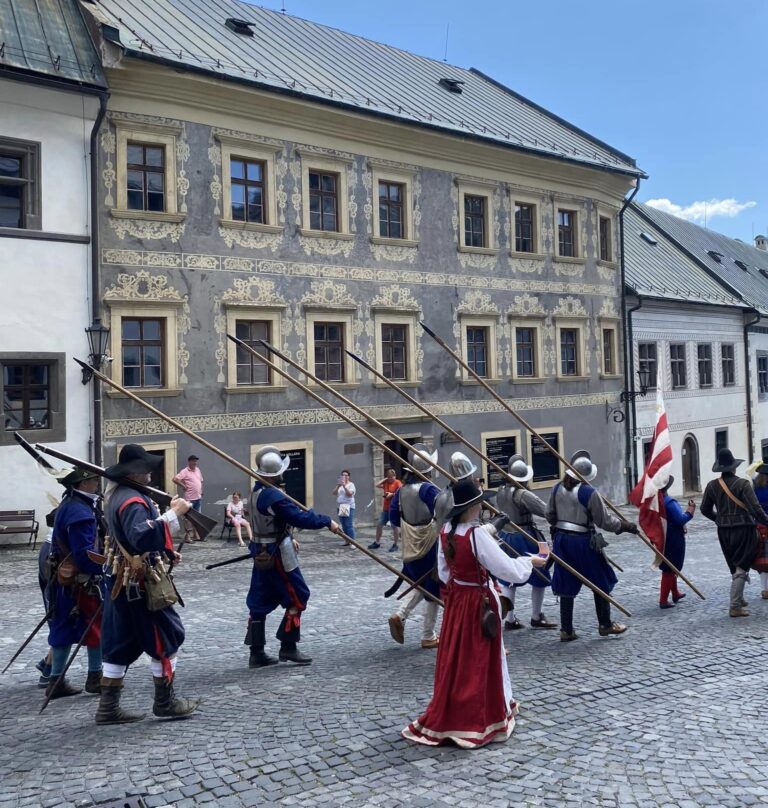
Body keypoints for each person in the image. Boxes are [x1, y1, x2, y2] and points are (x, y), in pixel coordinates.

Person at [402, 477, 548, 747]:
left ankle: (462, 707)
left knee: (458, 657)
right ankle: (481, 714)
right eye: (479, 503)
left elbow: (444, 573)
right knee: (480, 657)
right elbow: (506, 569)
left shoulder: (445, 530)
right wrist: (529, 562)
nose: (482, 506)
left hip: (458, 601)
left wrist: (462, 583)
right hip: (479, 602)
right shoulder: (476, 534)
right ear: (472, 507)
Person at [98, 444, 198, 725]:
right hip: (139, 584)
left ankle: (107, 708)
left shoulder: (118, 495)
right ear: (134, 472)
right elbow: (140, 537)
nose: (150, 472)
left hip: (124, 579)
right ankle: (165, 702)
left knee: (120, 643)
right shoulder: (132, 500)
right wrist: (173, 514)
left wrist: (164, 551)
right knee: (167, 636)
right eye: (145, 468)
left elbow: (131, 538)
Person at [246, 446, 340, 667]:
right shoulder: (273, 495)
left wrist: (288, 535)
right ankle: (288, 647)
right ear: (276, 474)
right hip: (277, 553)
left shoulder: (256, 492)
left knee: (259, 599)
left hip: (261, 550)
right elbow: (299, 518)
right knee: (298, 595)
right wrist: (326, 521)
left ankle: (256, 653)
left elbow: (276, 521)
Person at [547, 449, 638, 641]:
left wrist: (558, 525)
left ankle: (566, 630)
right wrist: (625, 526)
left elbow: (549, 514)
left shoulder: (556, 488)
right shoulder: (589, 493)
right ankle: (605, 624)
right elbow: (604, 521)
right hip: (582, 542)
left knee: (566, 580)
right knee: (600, 579)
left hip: (561, 541)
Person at [44, 468, 107, 699]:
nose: (97, 484)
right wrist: (105, 569)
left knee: (63, 625)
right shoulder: (80, 512)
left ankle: (56, 680)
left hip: (66, 579)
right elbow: (85, 555)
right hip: (81, 581)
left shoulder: (70, 504)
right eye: (93, 480)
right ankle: (95, 677)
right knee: (95, 625)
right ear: (82, 484)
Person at [701, 448, 768, 617]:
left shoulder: (711, 486)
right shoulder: (743, 484)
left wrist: (719, 519)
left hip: (723, 531)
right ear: (734, 467)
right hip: (744, 529)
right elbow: (755, 509)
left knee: (734, 564)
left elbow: (704, 509)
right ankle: (735, 606)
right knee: (742, 565)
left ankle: (739, 597)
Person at [388, 444, 442, 649]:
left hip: (410, 544)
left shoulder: (401, 491)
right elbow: (444, 509)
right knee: (432, 587)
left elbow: (394, 518)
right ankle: (428, 635)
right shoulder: (428, 489)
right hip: (429, 543)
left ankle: (400, 615)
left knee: (420, 583)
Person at [494, 454, 557, 630]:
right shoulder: (522, 494)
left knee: (509, 577)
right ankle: (536, 615)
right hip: (524, 536)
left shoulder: (501, 490)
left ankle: (510, 619)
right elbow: (545, 511)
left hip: (505, 536)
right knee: (540, 572)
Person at [658, 476, 695, 609]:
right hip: (672, 538)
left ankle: (675, 593)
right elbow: (679, 519)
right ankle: (663, 600)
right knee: (670, 567)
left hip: (663, 537)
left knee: (671, 566)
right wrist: (690, 511)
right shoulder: (668, 502)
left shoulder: (657, 502)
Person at [370, 468, 402, 551]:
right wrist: (385, 479)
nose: (390, 479)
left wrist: (392, 494)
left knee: (394, 527)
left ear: (395, 476)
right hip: (386, 509)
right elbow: (377, 485)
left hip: (394, 509)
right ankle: (377, 542)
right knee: (379, 524)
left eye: (392, 477)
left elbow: (401, 492)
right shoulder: (386, 483)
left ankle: (395, 544)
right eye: (389, 477)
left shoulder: (397, 482)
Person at [173, 455, 204, 540]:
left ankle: (196, 535)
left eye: (196, 461)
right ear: (189, 461)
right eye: (193, 461)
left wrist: (201, 491)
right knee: (188, 518)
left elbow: (201, 481)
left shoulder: (197, 470)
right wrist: (183, 485)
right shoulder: (185, 471)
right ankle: (187, 537)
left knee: (197, 517)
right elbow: (175, 479)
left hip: (198, 498)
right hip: (189, 499)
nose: (195, 463)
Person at [752, 464, 768, 599]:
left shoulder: (754, 488)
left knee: (763, 560)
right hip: (765, 525)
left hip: (758, 526)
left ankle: (764, 589)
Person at [333, 470, 356, 542]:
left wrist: (344, 486)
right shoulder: (340, 485)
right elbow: (334, 493)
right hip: (341, 506)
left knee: (349, 525)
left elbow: (349, 494)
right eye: (343, 475)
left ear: (349, 477)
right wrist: (338, 486)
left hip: (349, 506)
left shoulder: (351, 485)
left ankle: (353, 542)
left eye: (346, 475)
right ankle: (347, 541)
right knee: (344, 525)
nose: (344, 476)